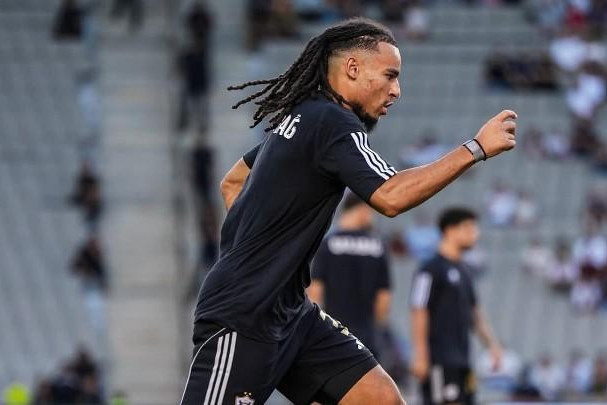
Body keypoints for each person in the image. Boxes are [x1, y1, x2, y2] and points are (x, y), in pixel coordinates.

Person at [180, 18, 517, 405]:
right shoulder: (333, 122)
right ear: (353, 68)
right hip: (245, 312)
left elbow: (233, 181)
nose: (396, 90)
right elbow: (390, 196)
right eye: (390, 75)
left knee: (382, 399)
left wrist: (263, 246)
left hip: (291, 312)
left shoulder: (304, 117)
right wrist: (476, 148)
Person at [409, 208, 503, 405]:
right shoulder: (429, 270)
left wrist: (492, 346)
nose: (475, 234)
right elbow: (419, 310)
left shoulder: (465, 272)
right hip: (439, 359)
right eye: (468, 228)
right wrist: (420, 355)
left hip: (463, 359)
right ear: (450, 231)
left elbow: (475, 312)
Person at [307, 192, 392, 358]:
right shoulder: (378, 246)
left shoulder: (328, 244)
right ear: (362, 209)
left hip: (333, 334)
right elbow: (383, 298)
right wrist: (377, 327)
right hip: (366, 336)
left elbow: (315, 291)